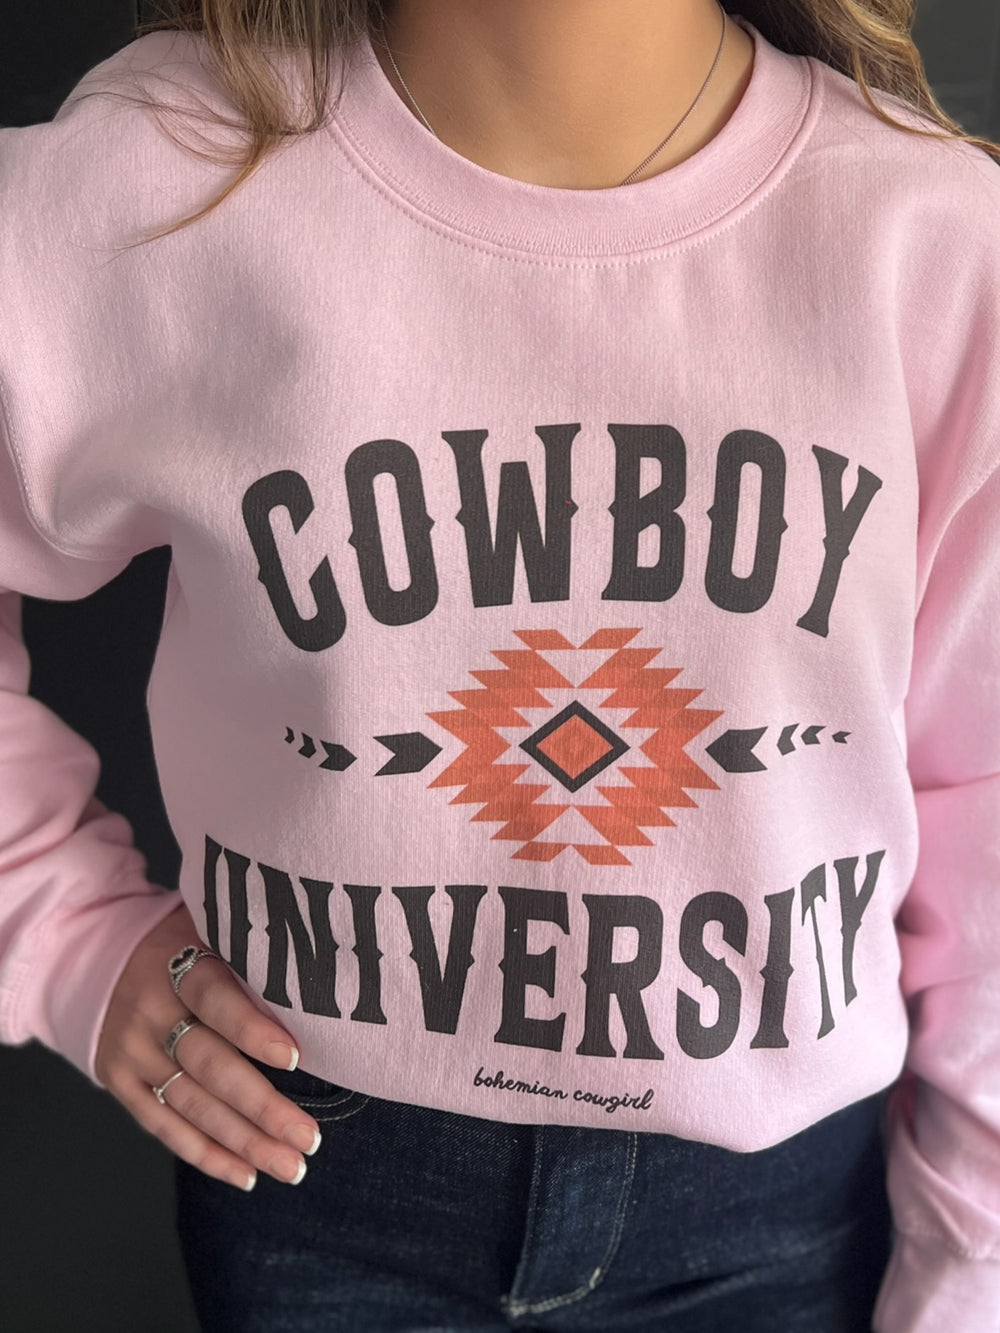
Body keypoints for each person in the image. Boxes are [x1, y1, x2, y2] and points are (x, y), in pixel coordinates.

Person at [1, 0, 999, 1329]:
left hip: (782, 1218)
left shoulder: (933, 247)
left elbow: (986, 805)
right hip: (316, 1182)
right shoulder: (167, 183)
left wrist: (971, 1266)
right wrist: (63, 927)